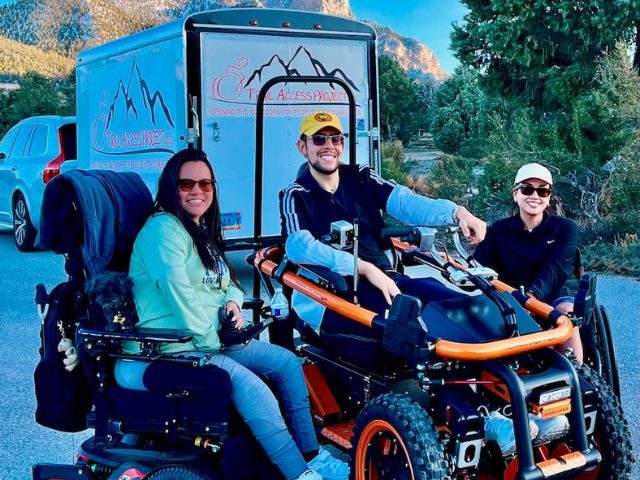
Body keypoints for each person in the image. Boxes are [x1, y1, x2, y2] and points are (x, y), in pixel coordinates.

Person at [116, 149, 348, 480]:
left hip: (211, 339)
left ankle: (311, 454)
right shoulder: (163, 230)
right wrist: (216, 341)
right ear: (171, 187)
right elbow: (178, 293)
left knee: (287, 364)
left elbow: (230, 283)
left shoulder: (197, 230)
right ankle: (301, 475)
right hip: (171, 347)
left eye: (205, 184)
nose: (197, 191)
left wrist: (234, 305)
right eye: (186, 184)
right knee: (252, 386)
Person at [279, 111, 486, 337]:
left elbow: (406, 203)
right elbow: (298, 246)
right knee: (412, 334)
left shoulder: (361, 177)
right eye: (319, 139)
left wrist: (457, 212)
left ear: (342, 144)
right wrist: (363, 268)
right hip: (333, 294)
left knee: (464, 309)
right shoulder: (296, 194)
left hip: (388, 280)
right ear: (302, 147)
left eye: (335, 138)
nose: (328, 145)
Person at [473, 162, 583, 363]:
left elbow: (556, 268)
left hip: (554, 293)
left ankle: (578, 376)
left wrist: (530, 299)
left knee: (565, 315)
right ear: (515, 194)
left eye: (542, 191)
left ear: (548, 197)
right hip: (511, 298)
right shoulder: (498, 230)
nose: (535, 196)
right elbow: (478, 269)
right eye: (527, 189)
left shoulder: (565, 228)